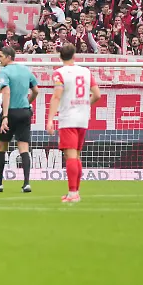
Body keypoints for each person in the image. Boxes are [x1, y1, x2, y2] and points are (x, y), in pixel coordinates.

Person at [46, 44, 100, 203]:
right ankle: (75, 192)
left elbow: (56, 96)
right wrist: (85, 104)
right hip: (83, 118)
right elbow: (97, 94)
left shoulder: (59, 73)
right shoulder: (86, 71)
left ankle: (72, 193)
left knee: (70, 155)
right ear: (74, 55)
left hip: (68, 118)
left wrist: (50, 120)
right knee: (76, 155)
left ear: (60, 57)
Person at [0, 46, 39, 193]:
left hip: (10, 113)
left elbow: (6, 92)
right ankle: (26, 183)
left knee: (1, 148)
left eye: (1, 56)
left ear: (8, 57)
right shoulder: (25, 70)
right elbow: (36, 90)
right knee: (24, 148)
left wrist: (4, 116)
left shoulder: (4, 72)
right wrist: (28, 103)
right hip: (24, 112)